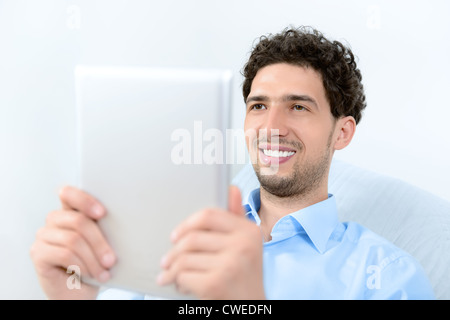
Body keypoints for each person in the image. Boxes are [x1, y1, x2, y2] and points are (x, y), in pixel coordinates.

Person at [30, 26, 435, 300]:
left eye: (298, 106)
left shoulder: (388, 278)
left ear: (342, 133)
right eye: (258, 106)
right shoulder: (173, 236)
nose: (271, 127)